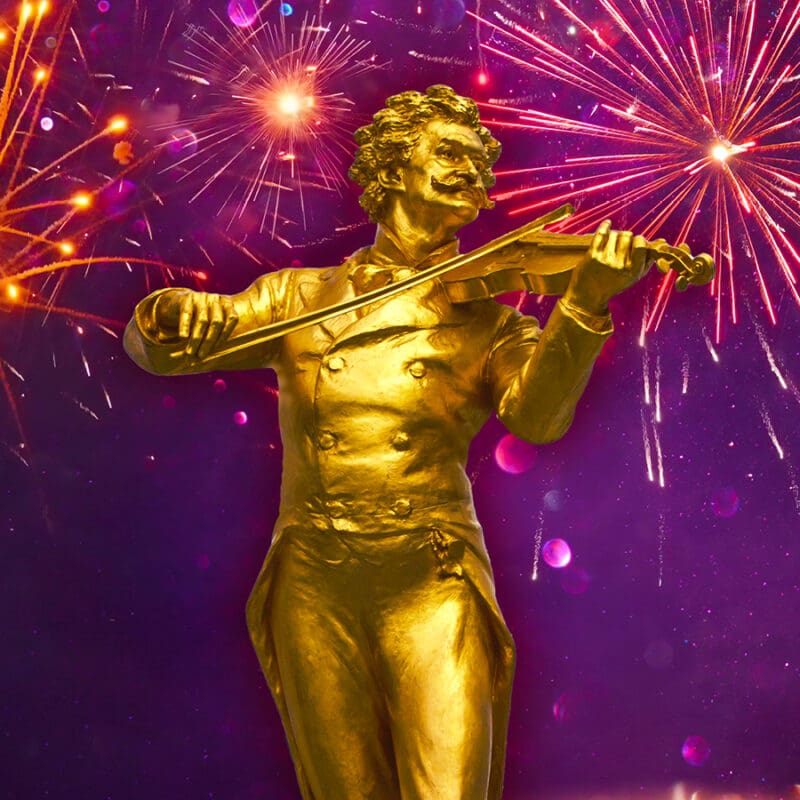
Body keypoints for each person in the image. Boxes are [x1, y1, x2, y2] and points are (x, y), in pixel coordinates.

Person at [124, 85, 651, 800]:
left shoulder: (491, 324)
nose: (471, 172)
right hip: (316, 581)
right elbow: (168, 353)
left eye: (479, 163)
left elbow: (538, 419)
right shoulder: (297, 298)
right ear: (394, 166)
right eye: (449, 152)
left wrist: (584, 300)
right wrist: (169, 312)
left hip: (430, 578)